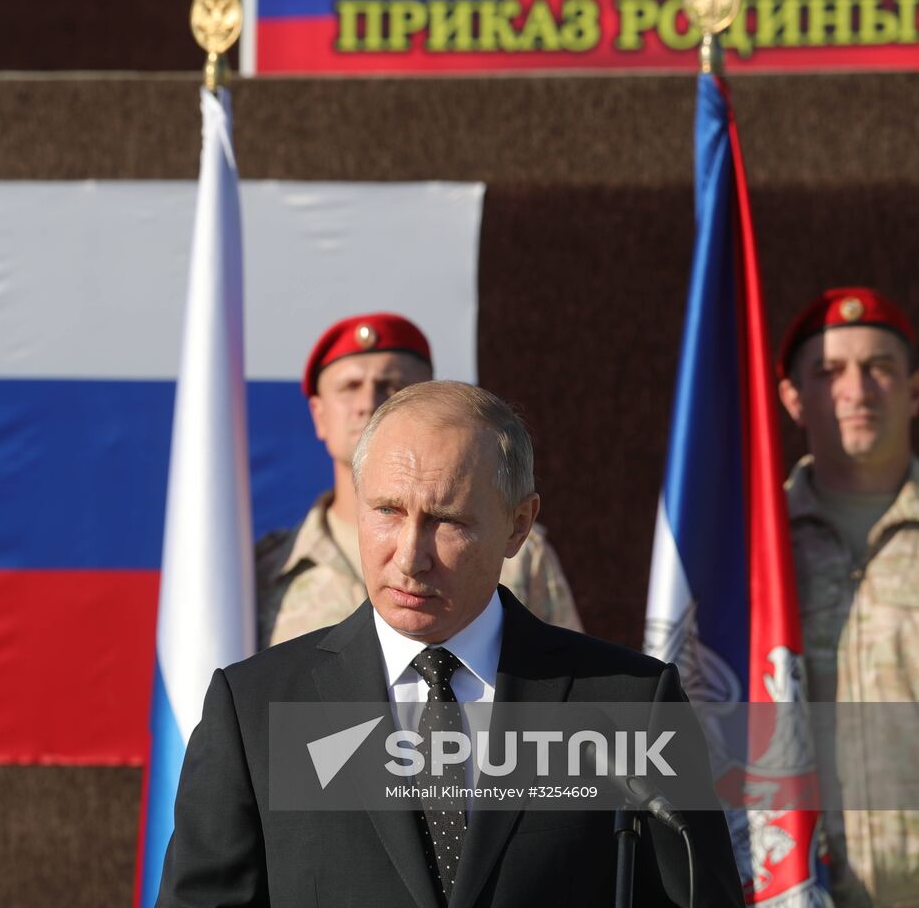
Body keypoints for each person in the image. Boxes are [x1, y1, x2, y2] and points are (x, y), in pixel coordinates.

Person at [159, 381, 743, 907]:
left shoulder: (630, 704)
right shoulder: (255, 706)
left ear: (519, 525)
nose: (409, 556)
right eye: (386, 511)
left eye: (448, 521)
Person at [258, 312, 582, 649]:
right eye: (350, 387)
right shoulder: (266, 568)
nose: (368, 403)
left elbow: (566, 679)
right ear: (319, 414)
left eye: (391, 387)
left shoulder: (519, 552)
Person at [776, 286, 919, 908]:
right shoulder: (754, 552)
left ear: (914, 390)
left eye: (880, 369)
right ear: (792, 399)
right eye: (829, 372)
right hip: (798, 888)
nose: (857, 392)